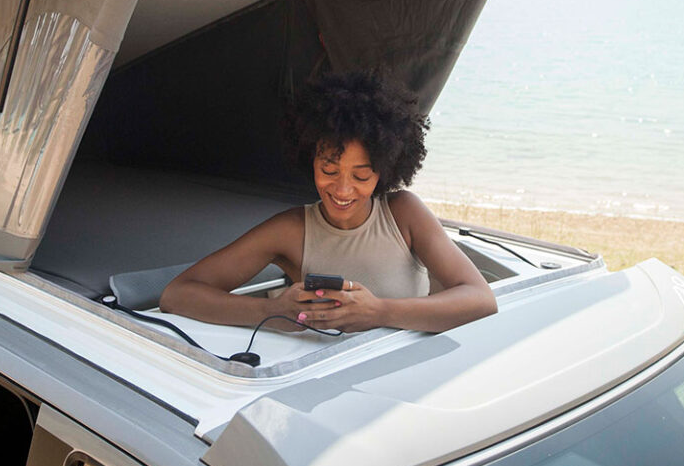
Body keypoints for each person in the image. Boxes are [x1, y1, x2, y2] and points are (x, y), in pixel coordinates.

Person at [160, 71, 497, 333]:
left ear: (386, 171)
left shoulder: (403, 213)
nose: (343, 189)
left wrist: (379, 312)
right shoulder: (291, 230)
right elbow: (178, 295)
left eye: (361, 176)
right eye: (328, 169)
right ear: (310, 158)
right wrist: (272, 312)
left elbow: (479, 299)